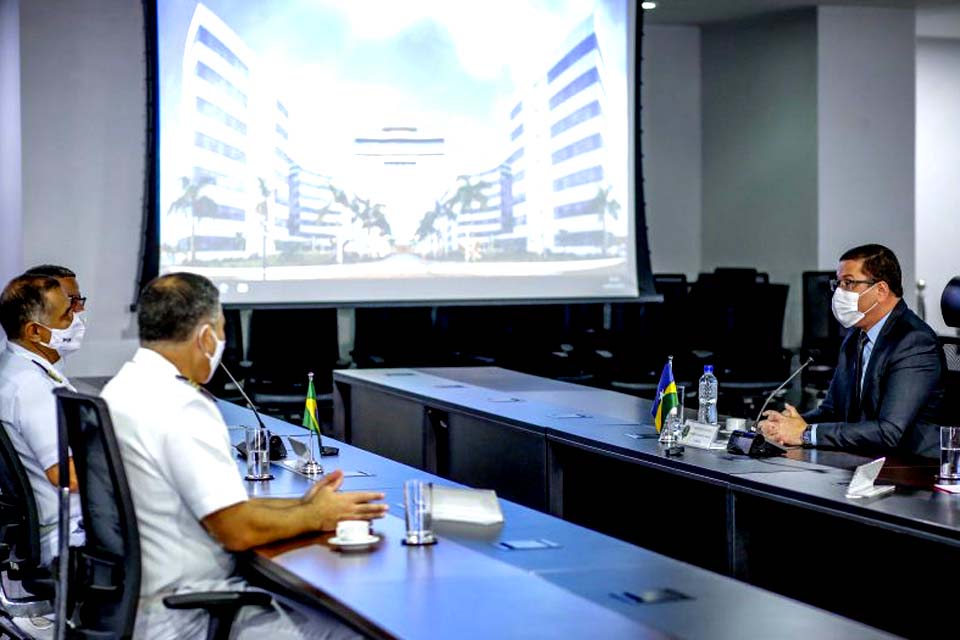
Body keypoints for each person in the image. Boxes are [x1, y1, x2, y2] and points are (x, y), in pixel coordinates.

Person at [100, 273, 386, 640]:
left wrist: (301, 505)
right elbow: (236, 529)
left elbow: (219, 507)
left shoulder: (121, 388)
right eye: (220, 330)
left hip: (140, 604)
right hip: (191, 612)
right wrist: (315, 516)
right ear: (205, 336)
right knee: (356, 634)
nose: (220, 341)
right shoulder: (181, 406)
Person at [760, 244, 946, 457]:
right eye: (838, 283)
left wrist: (805, 433)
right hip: (865, 459)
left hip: (911, 468)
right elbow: (831, 411)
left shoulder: (914, 342)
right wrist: (785, 426)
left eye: (849, 283)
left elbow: (889, 432)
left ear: (881, 290)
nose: (839, 292)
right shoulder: (855, 337)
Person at [0, 274, 85, 564]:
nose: (76, 318)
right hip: (71, 533)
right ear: (35, 331)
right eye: (66, 314)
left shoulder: (14, 368)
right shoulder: (31, 386)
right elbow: (67, 475)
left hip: (62, 524)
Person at [23, 265, 87, 367]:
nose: (80, 309)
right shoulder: (20, 374)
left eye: (78, 299)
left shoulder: (49, 359)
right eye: (69, 300)